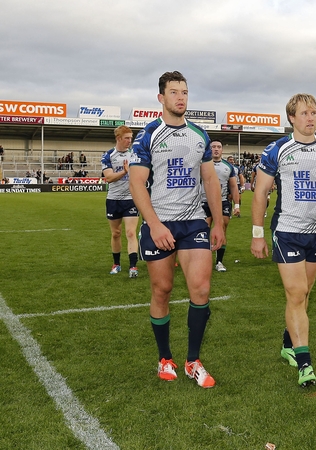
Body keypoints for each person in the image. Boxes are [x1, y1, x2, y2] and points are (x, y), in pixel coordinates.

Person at [251, 93, 316, 387]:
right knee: (297, 294)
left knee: (304, 294)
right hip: (286, 230)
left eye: (314, 112)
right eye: (305, 113)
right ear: (292, 118)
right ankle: (305, 365)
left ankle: (288, 344)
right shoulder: (277, 149)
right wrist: (257, 234)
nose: (311, 117)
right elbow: (260, 193)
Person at [129, 71, 225, 389]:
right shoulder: (148, 136)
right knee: (162, 290)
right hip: (160, 223)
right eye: (173, 92)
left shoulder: (199, 135)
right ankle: (165, 358)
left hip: (194, 222)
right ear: (161, 98)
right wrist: (154, 224)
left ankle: (192, 361)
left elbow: (210, 180)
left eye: (184, 92)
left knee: (200, 289)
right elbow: (136, 183)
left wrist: (218, 222)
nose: (180, 97)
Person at [101, 125, 140, 278]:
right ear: (118, 139)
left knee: (131, 232)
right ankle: (116, 264)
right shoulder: (108, 156)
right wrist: (124, 171)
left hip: (131, 199)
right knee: (116, 233)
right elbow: (109, 178)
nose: (130, 141)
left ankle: (133, 266)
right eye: (127, 138)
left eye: (131, 138)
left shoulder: (135, 155)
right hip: (113, 199)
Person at [201, 140, 240, 272]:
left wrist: (237, 205)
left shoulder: (228, 167)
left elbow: (234, 186)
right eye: (213, 147)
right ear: (209, 149)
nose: (216, 149)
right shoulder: (202, 164)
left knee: (222, 230)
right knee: (203, 231)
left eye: (219, 147)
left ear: (222, 150)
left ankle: (219, 262)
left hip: (222, 202)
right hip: (204, 201)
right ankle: (204, 261)